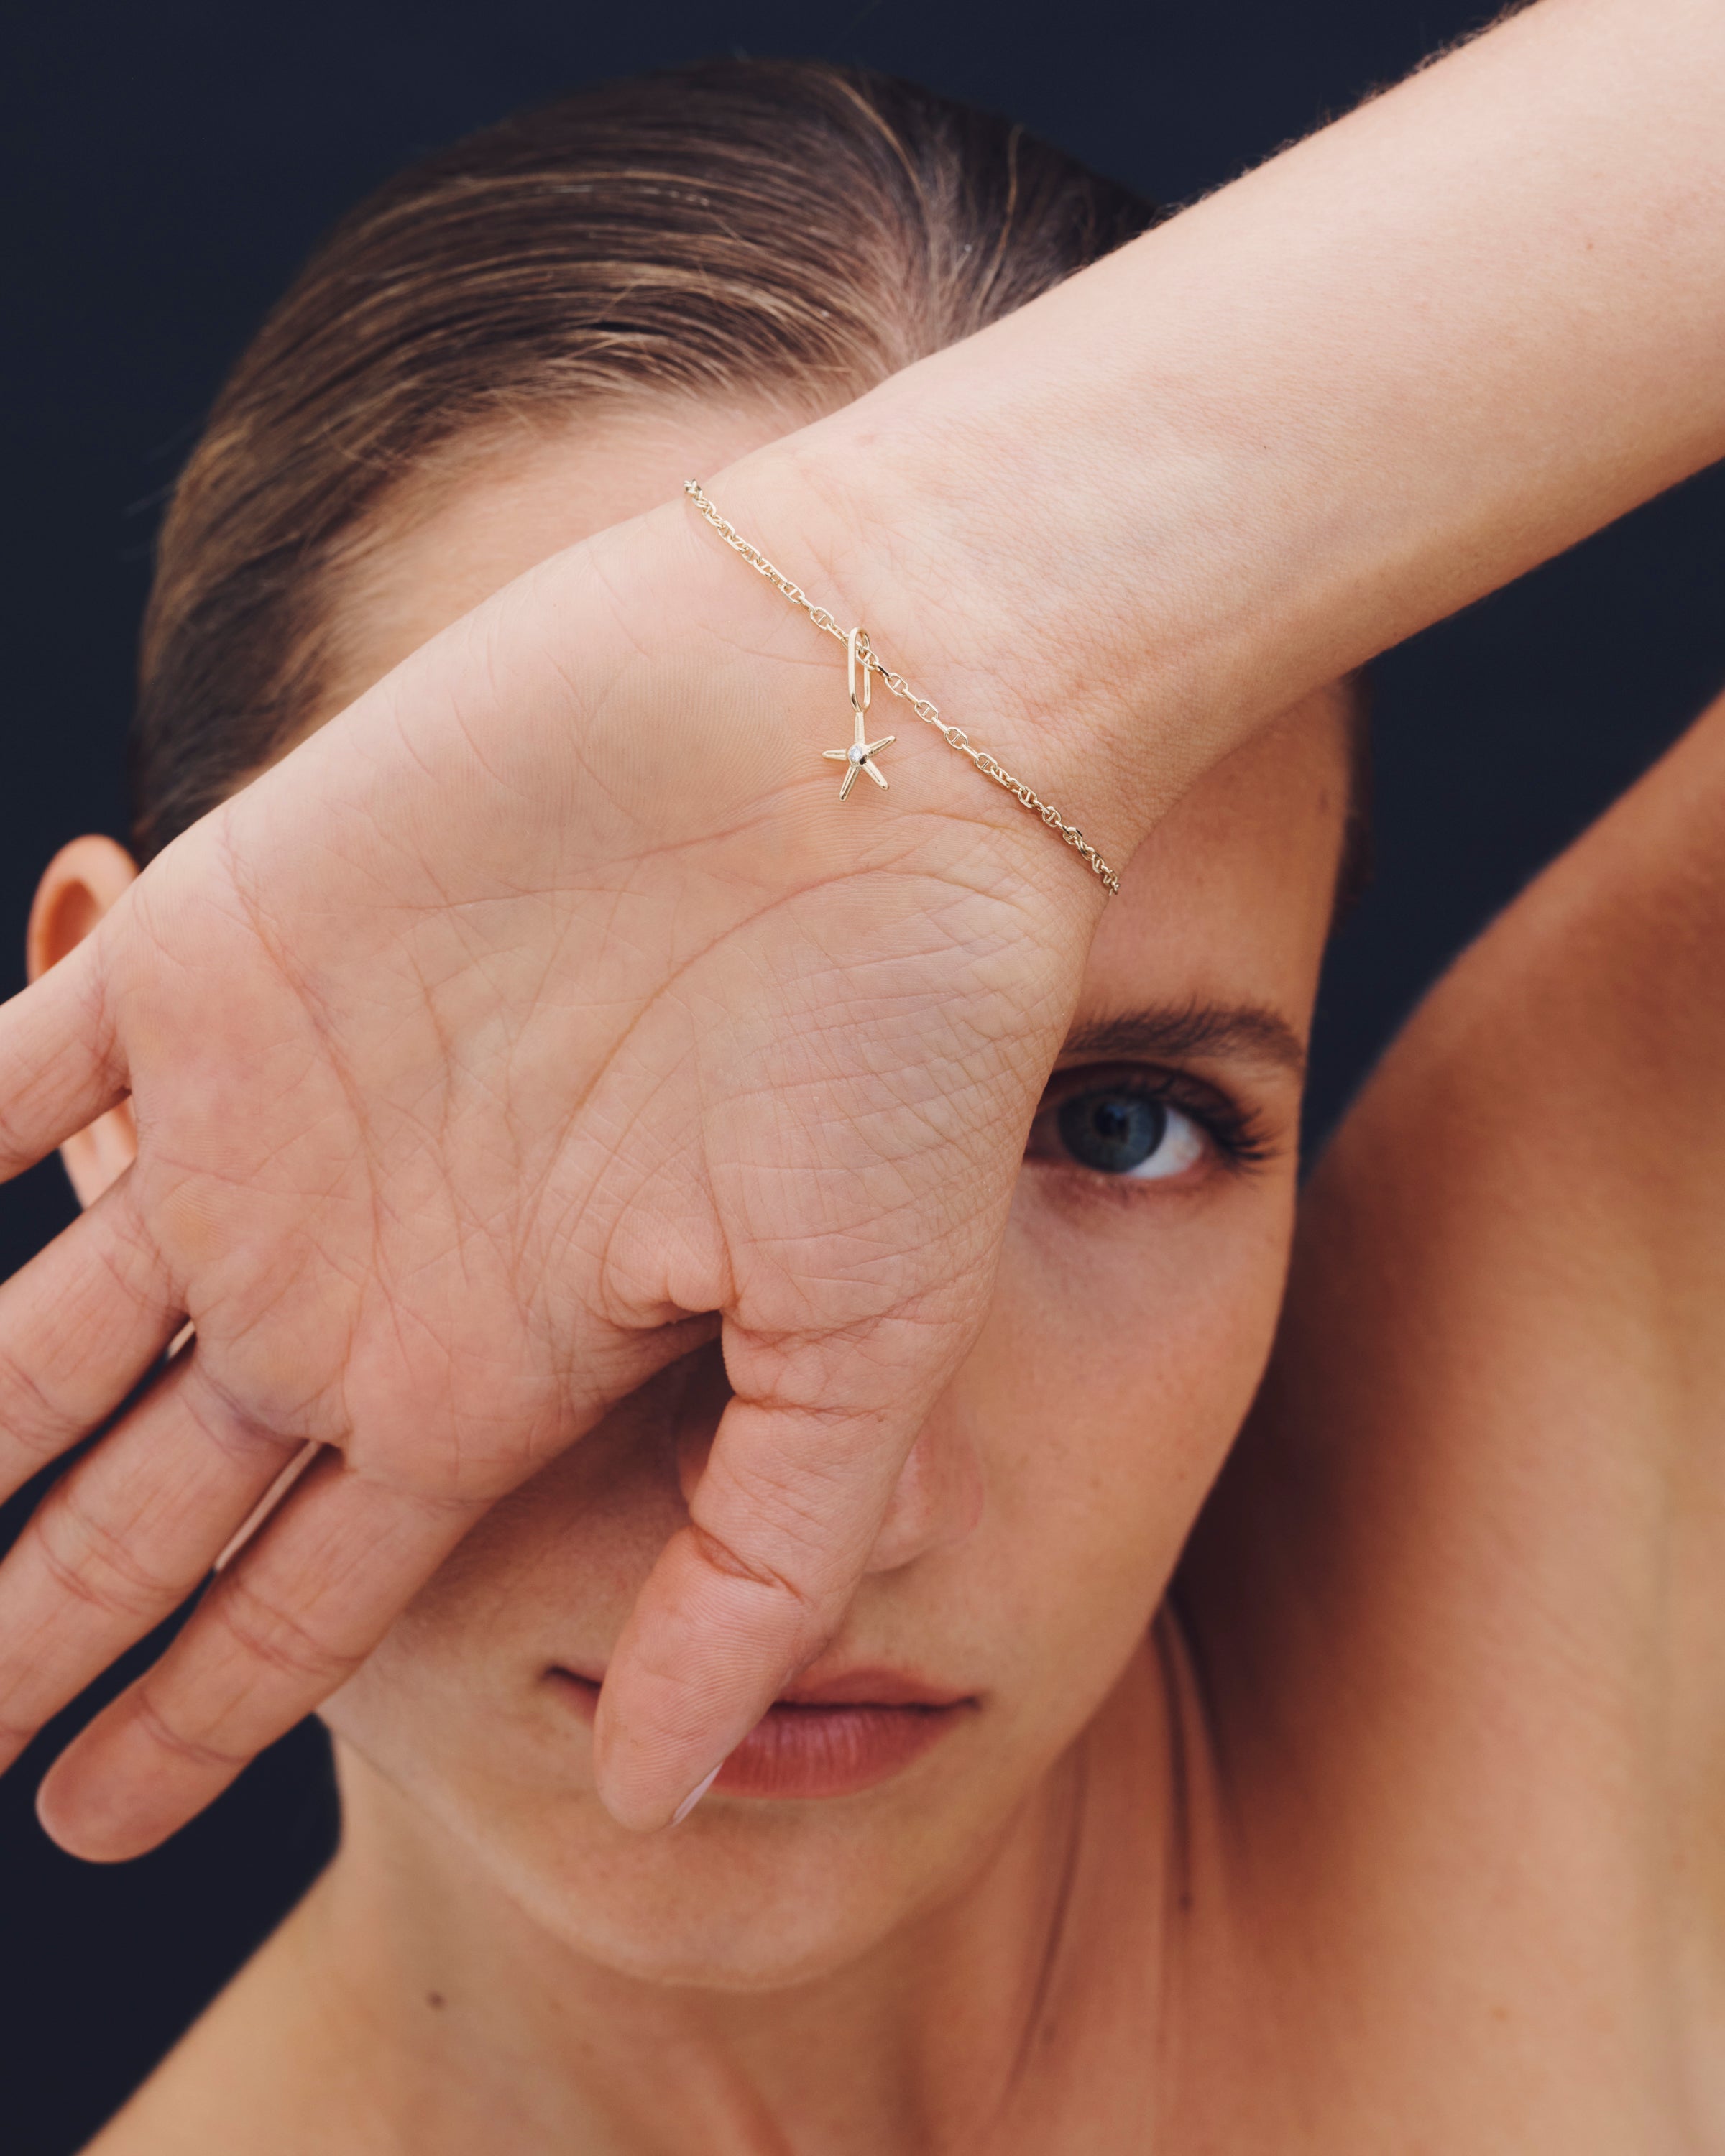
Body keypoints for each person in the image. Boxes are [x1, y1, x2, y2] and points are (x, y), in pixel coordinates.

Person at [9, 37, 1724, 2150]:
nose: (827, 1510)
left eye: (1122, 1122)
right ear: (126, 1071)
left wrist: (966, 613)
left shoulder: (1576, 1560)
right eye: (610, 1088)